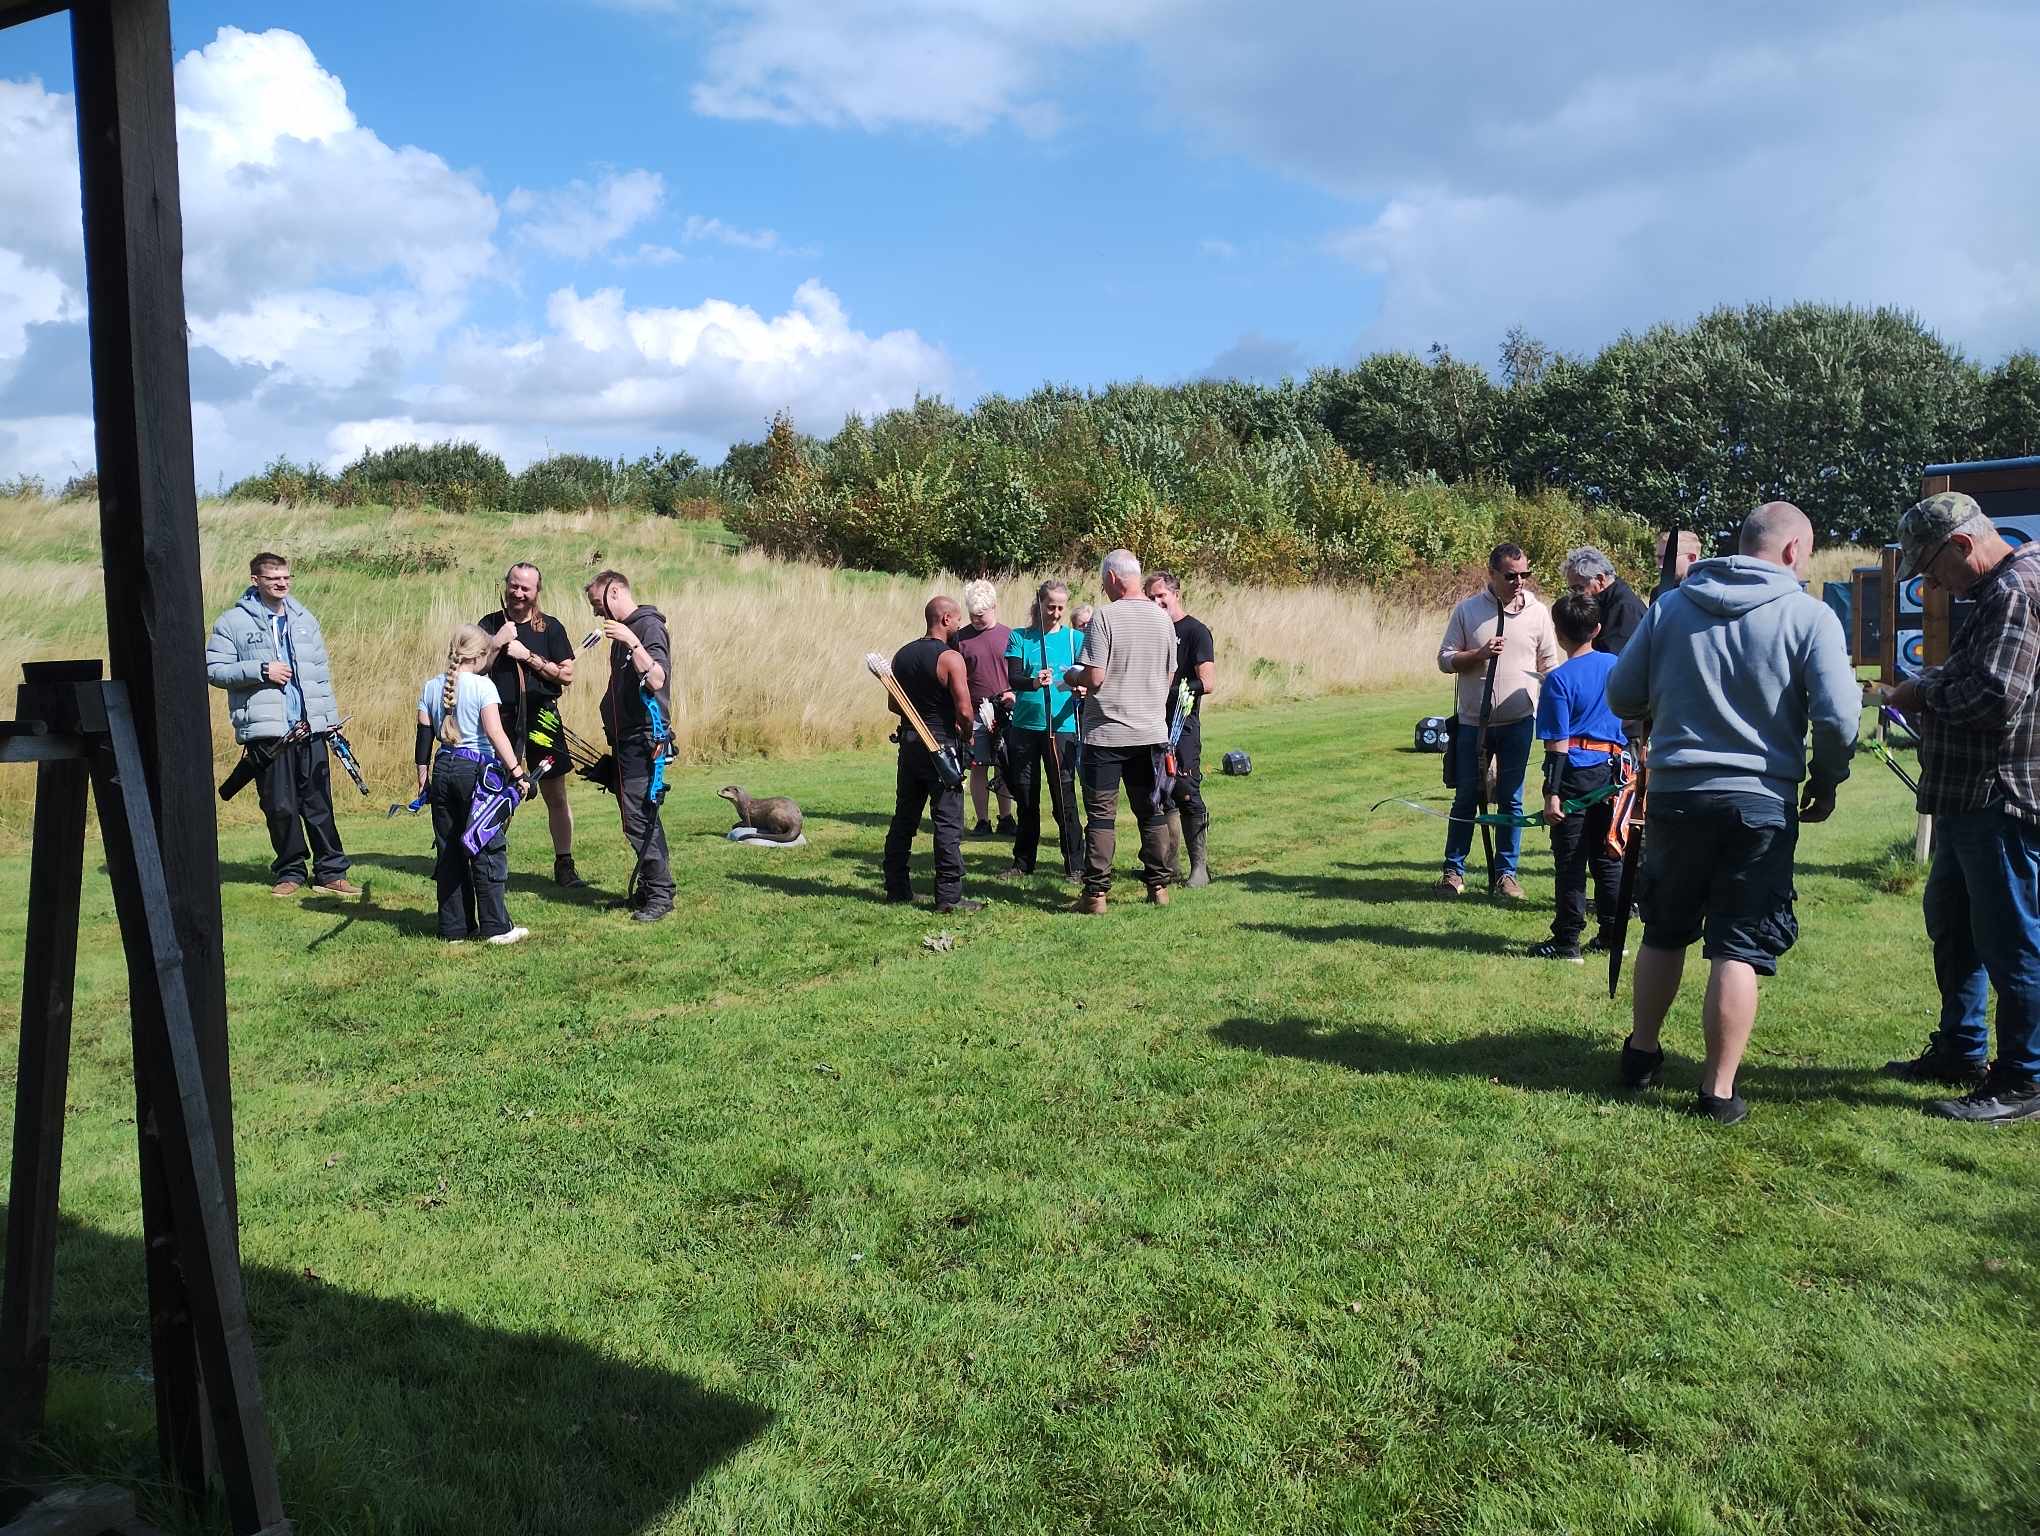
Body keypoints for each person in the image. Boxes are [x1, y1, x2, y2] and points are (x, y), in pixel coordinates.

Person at [1605, 501, 1857, 1124]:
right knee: (1738, 945)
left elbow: (1622, 693)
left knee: (1664, 929)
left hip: (1677, 795)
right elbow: (1837, 718)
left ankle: (1641, 1053)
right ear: (1794, 551)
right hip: (1759, 800)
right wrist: (1826, 778)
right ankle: (1717, 1091)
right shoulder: (1810, 615)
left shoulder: (1670, 607)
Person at [1877, 492, 2040, 1123]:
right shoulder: (2002, 587)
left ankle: (2024, 1078)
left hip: (1996, 796)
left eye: (1933, 570)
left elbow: (1994, 698)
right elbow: (1977, 678)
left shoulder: (2014, 593)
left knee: (2010, 939)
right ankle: (1961, 1049)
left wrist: (1918, 693)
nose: (1935, 586)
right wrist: (1931, 685)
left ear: (1963, 545)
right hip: (1967, 796)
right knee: (1954, 922)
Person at [205, 551, 360, 898]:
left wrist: (329, 721)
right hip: (268, 732)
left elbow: (320, 677)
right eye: (274, 578)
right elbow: (213, 670)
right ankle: (290, 871)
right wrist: (261, 670)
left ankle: (331, 872)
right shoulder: (232, 623)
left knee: (319, 804)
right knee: (280, 806)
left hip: (310, 728)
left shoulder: (305, 619)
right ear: (255, 580)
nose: (282, 583)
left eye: (286, 577)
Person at [1434, 544, 1562, 899]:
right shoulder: (1468, 611)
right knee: (1465, 797)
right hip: (1473, 723)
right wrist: (1477, 654)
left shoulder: (1538, 613)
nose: (1519, 581)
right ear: (1491, 574)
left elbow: (1550, 666)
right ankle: (1453, 872)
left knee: (1511, 800)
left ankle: (1506, 875)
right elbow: (1444, 659)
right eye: (1510, 575)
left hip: (1518, 721)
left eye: (1524, 574)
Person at [1064, 549, 1178, 912]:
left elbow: (1094, 677)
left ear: (1113, 578)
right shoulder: (1163, 619)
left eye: (1104, 581)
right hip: (1151, 733)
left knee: (1101, 815)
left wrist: (1072, 676)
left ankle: (1096, 894)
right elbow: (1169, 675)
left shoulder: (1105, 616)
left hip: (1106, 734)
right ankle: (1158, 887)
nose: (1104, 588)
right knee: (1151, 810)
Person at [415, 625, 531, 944]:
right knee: (485, 844)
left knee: (449, 849)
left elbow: (423, 738)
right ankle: (496, 926)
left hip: (442, 769)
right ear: (480, 656)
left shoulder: (430, 687)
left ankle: (455, 928)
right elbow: (495, 733)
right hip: (476, 772)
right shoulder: (483, 686)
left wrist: (423, 778)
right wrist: (517, 773)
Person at [1530, 593, 1628, 962]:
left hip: (1575, 774)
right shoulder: (1617, 666)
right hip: (1614, 773)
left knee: (1571, 860)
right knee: (1608, 856)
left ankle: (1567, 940)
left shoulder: (1558, 680)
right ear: (1597, 629)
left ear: (1558, 635)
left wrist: (1551, 792)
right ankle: (1612, 935)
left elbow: (1557, 744)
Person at [480, 562, 584, 887]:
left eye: (526, 588)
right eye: (514, 585)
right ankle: (486, 864)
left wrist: (527, 656)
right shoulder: (489, 624)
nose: (518, 593)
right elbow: (471, 669)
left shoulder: (550, 628)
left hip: (543, 718)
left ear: (537, 591)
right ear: (506, 584)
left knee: (556, 794)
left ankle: (564, 863)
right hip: (499, 720)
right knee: (497, 792)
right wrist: (496, 642)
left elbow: (566, 675)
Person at [585, 569, 674, 922]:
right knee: (636, 814)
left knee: (638, 817)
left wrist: (632, 642)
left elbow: (657, 678)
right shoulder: (622, 634)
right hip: (625, 741)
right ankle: (651, 890)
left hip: (644, 739)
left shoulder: (648, 628)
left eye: (598, 603)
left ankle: (660, 894)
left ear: (615, 592)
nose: (596, 612)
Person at [882, 596, 981, 913]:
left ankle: (896, 888)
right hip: (942, 749)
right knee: (948, 822)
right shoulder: (951, 658)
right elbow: (964, 711)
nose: (960, 625)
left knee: (905, 817)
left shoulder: (902, 655)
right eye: (958, 619)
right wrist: (967, 733)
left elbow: (894, 704)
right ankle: (949, 897)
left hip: (910, 746)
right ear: (946, 619)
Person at [1002, 580, 1084, 880]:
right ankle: (1023, 863)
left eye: (1061, 607)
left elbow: (1087, 677)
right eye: (1051, 607)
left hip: (1061, 728)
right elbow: (1014, 678)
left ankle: (1075, 865)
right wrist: (1034, 682)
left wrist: (1083, 689)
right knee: (1026, 797)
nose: (1056, 613)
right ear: (1039, 604)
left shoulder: (1075, 639)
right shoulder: (1020, 637)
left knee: (1064, 797)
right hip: (1025, 726)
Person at [1144, 570, 1218, 886]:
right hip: (1149, 722)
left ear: (1176, 594)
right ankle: (1166, 865)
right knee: (1160, 793)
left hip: (1182, 723)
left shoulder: (1195, 632)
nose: (1156, 602)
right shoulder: (1149, 631)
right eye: (1151, 597)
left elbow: (1208, 682)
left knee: (1186, 791)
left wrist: (1170, 690)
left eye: (1161, 595)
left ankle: (1199, 868)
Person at [954, 580, 1015, 838]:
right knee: (978, 766)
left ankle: (1006, 817)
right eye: (972, 615)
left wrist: (1013, 693)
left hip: (1006, 710)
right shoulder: (960, 639)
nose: (976, 620)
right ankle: (982, 820)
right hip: (975, 711)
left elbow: (1019, 673)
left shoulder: (1010, 636)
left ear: (994, 607)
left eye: (981, 614)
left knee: (1005, 765)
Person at [1560, 546, 1647, 655]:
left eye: (1579, 588)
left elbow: (1614, 660)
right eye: (1572, 590)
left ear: (1600, 580)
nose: (1575, 595)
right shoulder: (1605, 602)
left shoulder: (1625, 609)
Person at [1649, 530, 1702, 603]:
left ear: (1691, 558)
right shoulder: (1657, 594)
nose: (1661, 565)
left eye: (1668, 558)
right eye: (1659, 558)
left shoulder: (1708, 593)